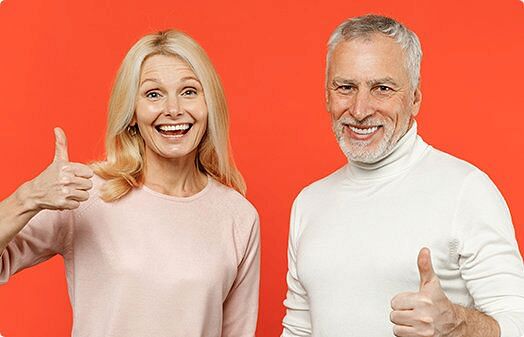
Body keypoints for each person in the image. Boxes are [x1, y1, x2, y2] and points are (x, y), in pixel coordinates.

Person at [0, 30, 259, 337]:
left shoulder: (238, 216)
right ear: (132, 113)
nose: (173, 108)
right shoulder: (87, 193)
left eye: (189, 91)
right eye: (153, 94)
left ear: (209, 105)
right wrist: (28, 198)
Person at [281, 14, 524, 337]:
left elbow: (519, 322)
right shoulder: (309, 202)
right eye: (345, 87)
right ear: (327, 95)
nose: (360, 109)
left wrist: (457, 324)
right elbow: (298, 330)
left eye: (382, 88)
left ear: (415, 99)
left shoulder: (466, 189)